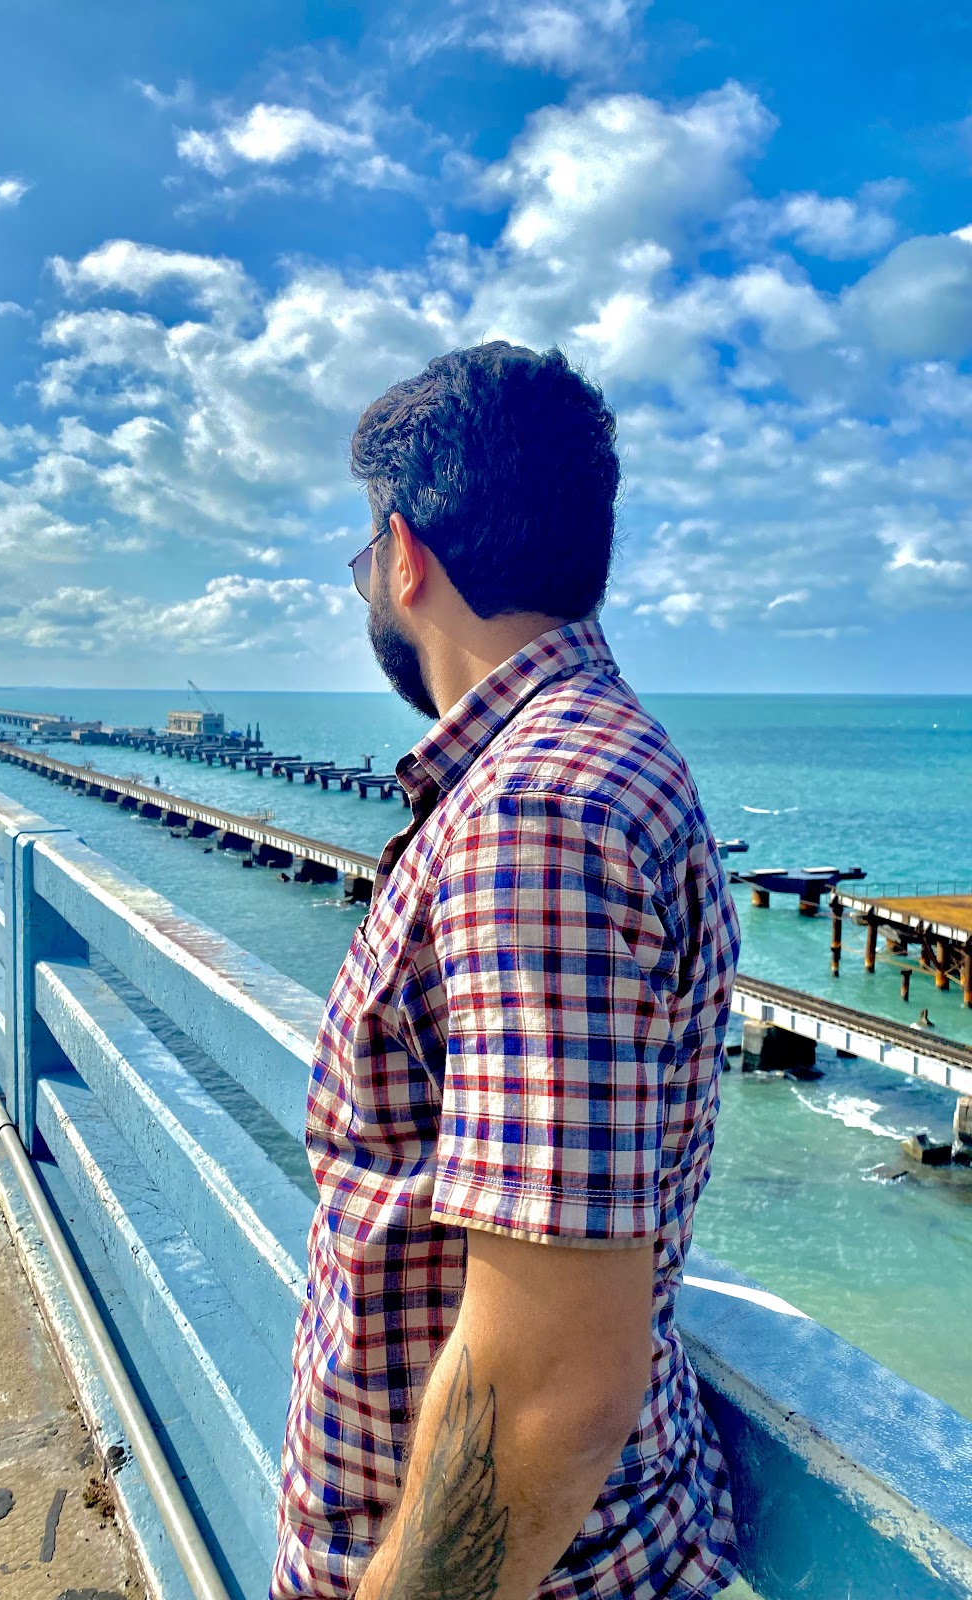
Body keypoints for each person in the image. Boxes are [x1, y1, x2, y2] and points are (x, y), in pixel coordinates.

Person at [272, 343, 741, 1600]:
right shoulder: (581, 766)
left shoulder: (534, 815)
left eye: (364, 560)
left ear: (405, 552)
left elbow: (548, 1390)